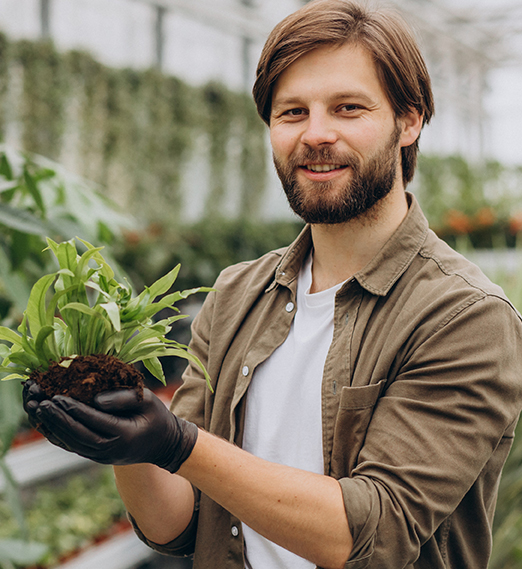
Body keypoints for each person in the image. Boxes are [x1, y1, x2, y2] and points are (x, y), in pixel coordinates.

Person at [23, 0, 522, 568]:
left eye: (348, 108)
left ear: (409, 121)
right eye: (292, 113)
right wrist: (122, 438)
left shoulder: (465, 316)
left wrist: (178, 444)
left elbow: (373, 532)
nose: (316, 134)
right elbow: (174, 524)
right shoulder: (237, 294)